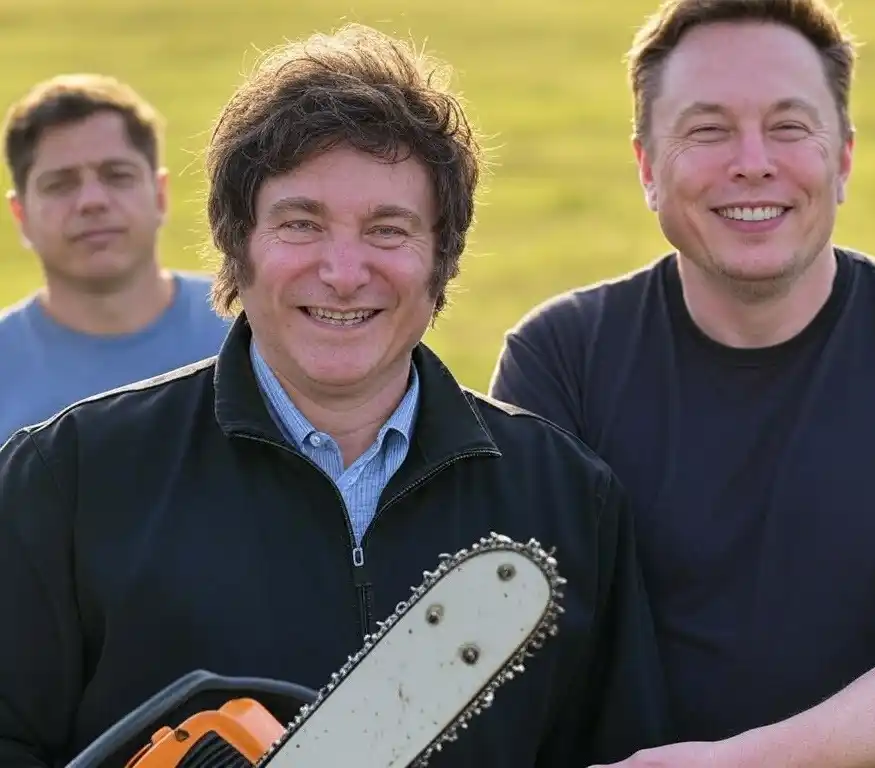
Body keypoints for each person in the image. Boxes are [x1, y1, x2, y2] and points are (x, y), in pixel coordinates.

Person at [0, 25, 670, 768]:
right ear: (237, 245)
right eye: (301, 224)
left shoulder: (567, 499)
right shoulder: (68, 480)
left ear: (440, 258)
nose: (345, 273)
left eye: (388, 230)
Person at [489, 1, 875, 766]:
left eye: (789, 127)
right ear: (647, 168)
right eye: (708, 131)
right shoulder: (559, 360)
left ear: (843, 159)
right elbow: (516, 658)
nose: (752, 162)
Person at [0, 74, 231, 444]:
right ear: (21, 215)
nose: (92, 201)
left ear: (159, 195)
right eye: (60, 184)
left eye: (117, 175)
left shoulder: (249, 330)